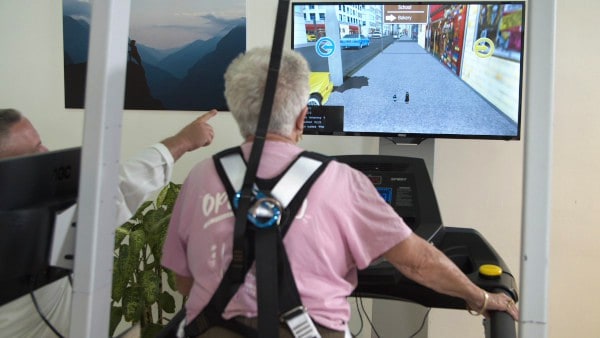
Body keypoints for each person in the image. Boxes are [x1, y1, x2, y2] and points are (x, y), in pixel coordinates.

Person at [161, 47, 519, 338]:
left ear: (239, 115)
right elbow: (418, 262)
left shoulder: (201, 177)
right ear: (303, 117)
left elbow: (184, 280)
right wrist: (483, 298)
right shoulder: (341, 180)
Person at [0, 107, 217, 337]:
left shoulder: (51, 208)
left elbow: (118, 190)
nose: (47, 152)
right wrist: (182, 141)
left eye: (41, 144)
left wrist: (182, 141)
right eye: (34, 154)